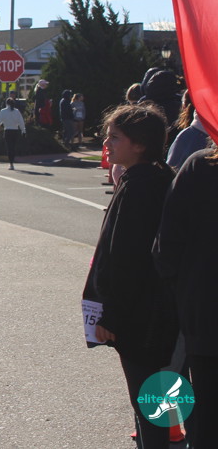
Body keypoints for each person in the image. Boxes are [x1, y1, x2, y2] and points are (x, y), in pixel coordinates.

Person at [83, 104, 177, 449]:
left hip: (139, 315)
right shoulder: (156, 177)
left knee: (147, 397)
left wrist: (111, 315)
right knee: (158, 393)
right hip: (155, 309)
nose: (106, 144)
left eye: (114, 137)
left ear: (139, 144)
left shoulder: (140, 187)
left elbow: (127, 258)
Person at [155, 147, 218, 446]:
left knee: (208, 417)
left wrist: (184, 294)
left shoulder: (201, 165)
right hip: (203, 311)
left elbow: (166, 248)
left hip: (205, 313)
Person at [0, 97, 26, 170]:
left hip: (7, 131)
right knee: (13, 147)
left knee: (9, 147)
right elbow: (21, 122)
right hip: (15, 131)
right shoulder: (16, 111)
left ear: (6, 104)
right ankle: (12, 159)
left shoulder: (3, 111)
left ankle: (11, 163)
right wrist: (23, 130)